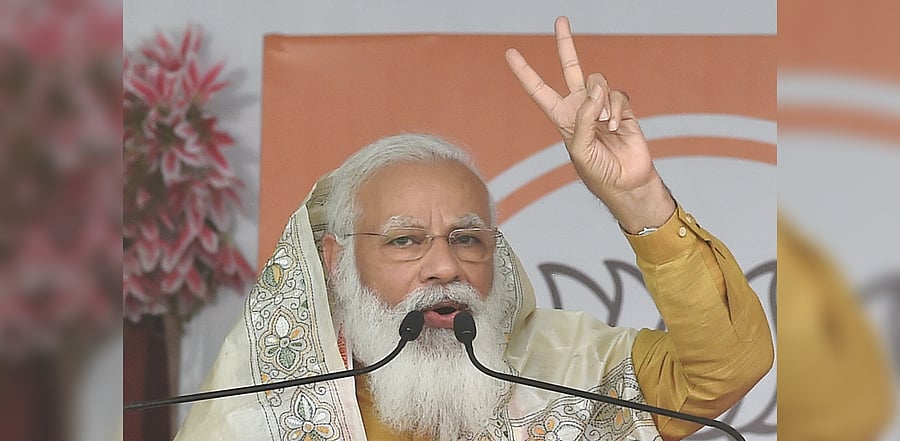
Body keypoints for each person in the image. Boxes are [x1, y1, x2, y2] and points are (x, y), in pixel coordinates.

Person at [174, 16, 773, 441]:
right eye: (405, 240)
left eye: (466, 239)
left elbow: (725, 367)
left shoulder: (561, 372)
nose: (444, 266)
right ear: (337, 259)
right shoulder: (257, 416)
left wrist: (638, 197)